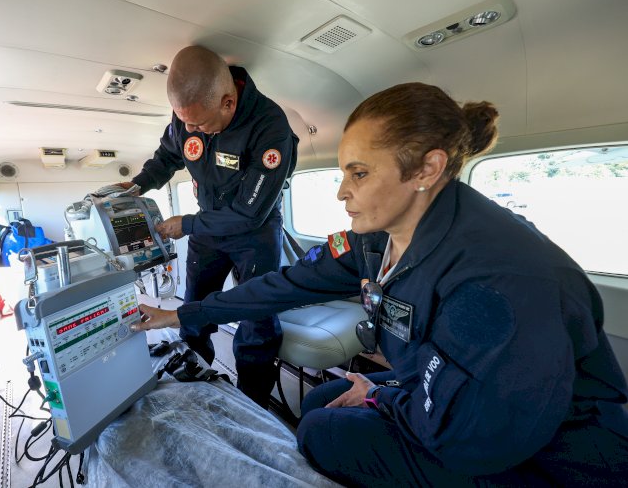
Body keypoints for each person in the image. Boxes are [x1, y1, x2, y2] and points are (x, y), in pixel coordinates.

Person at [132, 82, 628, 486]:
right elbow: (285, 284)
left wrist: (379, 397)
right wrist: (182, 314)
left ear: (426, 170)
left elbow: (464, 436)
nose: (343, 191)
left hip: (535, 451)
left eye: (360, 173)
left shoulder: (494, 285)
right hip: (463, 399)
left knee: (321, 430)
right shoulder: (380, 238)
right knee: (324, 401)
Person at [102, 45, 298, 408]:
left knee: (256, 318)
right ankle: (196, 378)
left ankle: (252, 402)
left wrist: (188, 223)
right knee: (195, 306)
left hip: (254, 232)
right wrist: (139, 184)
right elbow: (168, 156)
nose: (190, 130)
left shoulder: (271, 127)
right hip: (208, 227)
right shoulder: (188, 116)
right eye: (184, 121)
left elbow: (249, 213)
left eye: (198, 124)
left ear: (227, 102)